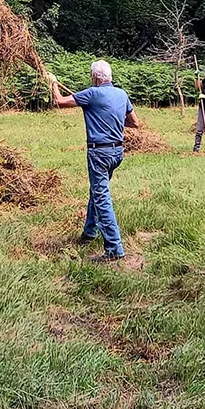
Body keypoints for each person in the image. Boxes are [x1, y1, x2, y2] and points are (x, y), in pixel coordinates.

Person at [48, 59, 137, 263]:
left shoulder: (92, 93)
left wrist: (53, 82)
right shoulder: (122, 94)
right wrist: (111, 117)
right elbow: (135, 123)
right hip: (117, 152)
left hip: (100, 154)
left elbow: (59, 102)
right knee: (97, 190)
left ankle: (114, 248)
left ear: (95, 77)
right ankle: (89, 232)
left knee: (101, 196)